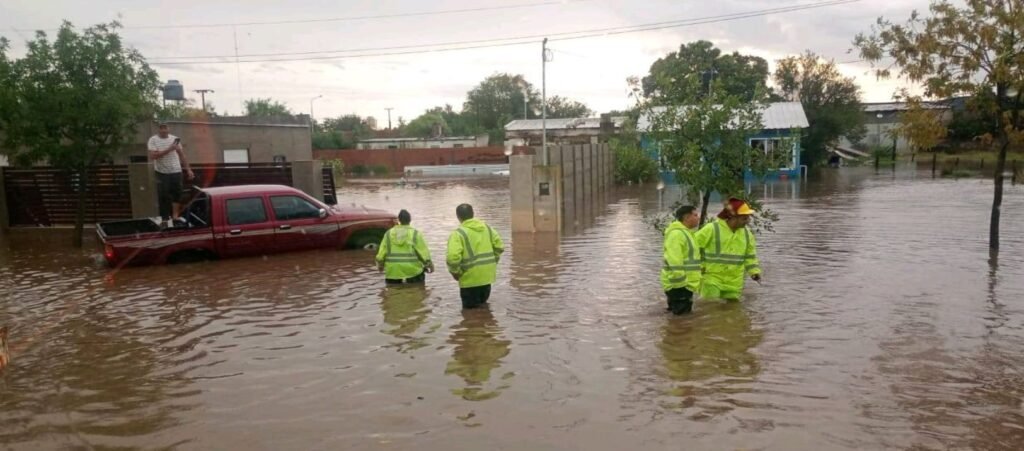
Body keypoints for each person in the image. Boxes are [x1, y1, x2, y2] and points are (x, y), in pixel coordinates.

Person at [694, 198, 762, 301]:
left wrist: (754, 272)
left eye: (748, 218)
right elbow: (692, 247)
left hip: (735, 281)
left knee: (733, 310)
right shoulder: (712, 229)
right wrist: (699, 266)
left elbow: (750, 256)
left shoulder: (747, 234)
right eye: (744, 218)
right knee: (710, 307)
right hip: (712, 278)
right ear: (733, 217)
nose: (748, 221)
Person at [446, 204, 504, 309]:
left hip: (469, 280)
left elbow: (452, 258)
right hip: (487, 277)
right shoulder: (488, 228)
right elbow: (499, 247)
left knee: (470, 313)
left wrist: (455, 272)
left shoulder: (458, 233)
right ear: (473, 214)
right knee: (483, 309)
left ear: (458, 217)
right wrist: (493, 261)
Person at [147, 123, 194, 226]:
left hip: (176, 171)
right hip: (162, 172)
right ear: (158, 129)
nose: (163, 130)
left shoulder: (175, 139)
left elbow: (182, 155)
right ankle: (164, 218)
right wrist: (170, 149)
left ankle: (175, 216)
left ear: (169, 129)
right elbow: (153, 156)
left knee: (177, 194)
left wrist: (188, 169)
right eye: (161, 128)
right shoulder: (153, 140)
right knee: (163, 195)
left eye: (165, 128)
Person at [661, 205, 703, 314]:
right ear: (687, 217)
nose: (698, 218)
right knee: (682, 320)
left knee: (679, 319)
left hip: (685, 285)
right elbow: (674, 260)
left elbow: (689, 258)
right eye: (695, 215)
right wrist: (681, 284)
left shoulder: (687, 233)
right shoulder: (677, 234)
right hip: (679, 285)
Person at [375, 209, 434, 284]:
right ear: (410, 220)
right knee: (417, 293)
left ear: (399, 220)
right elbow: (423, 253)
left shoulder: (388, 234)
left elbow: (380, 255)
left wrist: (380, 266)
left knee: (393, 294)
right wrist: (429, 265)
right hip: (413, 271)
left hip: (393, 272)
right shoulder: (415, 234)